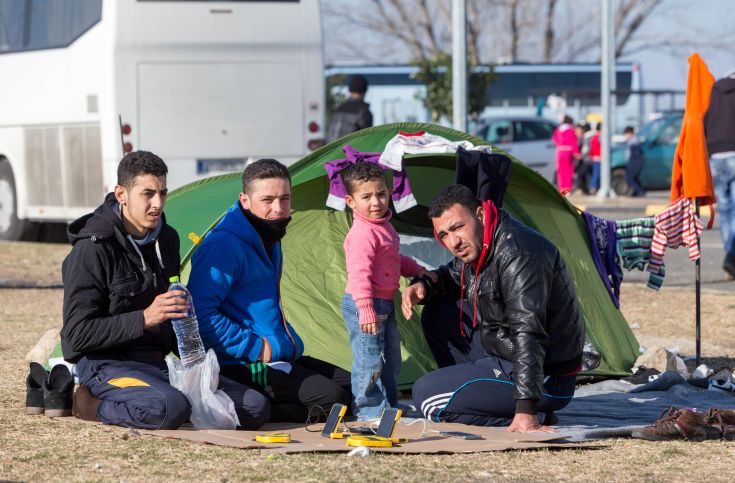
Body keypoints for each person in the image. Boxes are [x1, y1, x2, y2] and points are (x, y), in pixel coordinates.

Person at [61, 151, 270, 430]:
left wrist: (196, 353)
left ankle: (174, 398)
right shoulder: (92, 248)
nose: (157, 204)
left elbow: (173, 318)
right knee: (169, 407)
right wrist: (145, 318)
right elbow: (75, 336)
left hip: (156, 364)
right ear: (121, 194)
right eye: (147, 194)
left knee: (254, 406)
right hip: (106, 366)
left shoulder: (167, 238)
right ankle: (90, 405)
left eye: (163, 193)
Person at [403, 185, 585, 431]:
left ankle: (533, 413)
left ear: (480, 215)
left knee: (428, 398)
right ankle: (476, 392)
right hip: (505, 352)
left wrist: (526, 410)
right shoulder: (481, 242)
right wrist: (423, 285)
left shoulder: (519, 254)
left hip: (546, 377)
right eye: (443, 234)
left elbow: (528, 333)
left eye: (457, 227)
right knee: (438, 312)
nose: (453, 242)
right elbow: (451, 275)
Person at [188, 159, 351, 423]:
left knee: (354, 387)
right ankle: (247, 407)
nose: (278, 209)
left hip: (279, 355)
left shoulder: (269, 237)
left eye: (285, 199)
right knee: (332, 399)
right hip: (240, 362)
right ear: (245, 200)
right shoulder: (222, 245)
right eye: (268, 200)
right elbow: (199, 314)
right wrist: (256, 348)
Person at [340, 163, 435, 420]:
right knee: (368, 359)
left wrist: (417, 270)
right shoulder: (362, 234)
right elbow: (360, 276)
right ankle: (368, 410)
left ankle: (388, 406)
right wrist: (366, 309)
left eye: (381, 194)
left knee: (390, 359)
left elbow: (395, 260)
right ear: (351, 201)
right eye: (366, 197)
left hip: (383, 304)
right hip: (364, 305)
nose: (375, 202)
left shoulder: (385, 227)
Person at [705, 72, 735, 278]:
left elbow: (704, 121)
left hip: (715, 154)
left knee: (724, 209)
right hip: (734, 151)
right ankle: (732, 256)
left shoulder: (713, 93)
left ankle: (730, 254)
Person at [326, 74, 373, 143]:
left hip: (334, 152)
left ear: (350, 91)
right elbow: (367, 140)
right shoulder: (364, 112)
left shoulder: (338, 110)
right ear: (365, 92)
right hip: (349, 152)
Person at [552, 115, 580, 194]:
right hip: (568, 152)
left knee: (560, 171)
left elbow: (554, 140)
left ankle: (561, 188)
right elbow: (573, 142)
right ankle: (567, 189)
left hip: (559, 151)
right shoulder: (570, 130)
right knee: (568, 171)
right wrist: (576, 152)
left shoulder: (558, 130)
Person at [623, 126, 646, 197]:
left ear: (630, 133)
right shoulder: (633, 141)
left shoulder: (634, 142)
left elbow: (636, 154)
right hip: (634, 161)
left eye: (626, 134)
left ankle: (639, 191)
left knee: (629, 177)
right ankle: (638, 191)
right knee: (634, 177)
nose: (625, 136)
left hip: (634, 162)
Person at [573, 121, 591, 194]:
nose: (578, 132)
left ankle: (582, 189)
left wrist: (581, 155)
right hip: (579, 162)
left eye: (580, 130)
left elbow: (586, 150)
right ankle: (582, 189)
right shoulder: (575, 139)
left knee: (581, 174)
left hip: (586, 161)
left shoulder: (586, 138)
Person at [589, 122, 602, 193]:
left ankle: (594, 187)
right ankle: (593, 187)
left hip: (595, 158)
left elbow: (592, 150)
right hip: (598, 158)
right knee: (597, 174)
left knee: (596, 174)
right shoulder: (598, 137)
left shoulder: (594, 137)